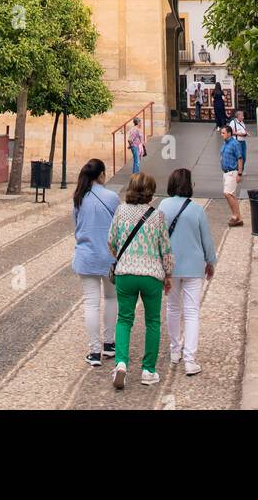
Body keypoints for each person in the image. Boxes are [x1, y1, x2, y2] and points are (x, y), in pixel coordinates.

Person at [107, 172, 173, 390]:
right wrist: (168, 274)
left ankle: (121, 364)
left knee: (124, 320)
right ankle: (148, 370)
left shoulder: (120, 211)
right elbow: (165, 250)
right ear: (150, 192)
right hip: (152, 275)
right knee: (152, 321)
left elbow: (111, 241)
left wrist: (122, 258)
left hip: (126, 273)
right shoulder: (158, 216)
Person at [158, 167, 216, 376]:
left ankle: (175, 350)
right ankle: (190, 360)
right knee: (192, 312)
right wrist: (210, 261)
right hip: (193, 266)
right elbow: (206, 240)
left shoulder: (163, 206)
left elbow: (158, 235)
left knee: (173, 308)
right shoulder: (197, 210)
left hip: (170, 266)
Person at [72, 158, 120, 367]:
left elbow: (77, 225)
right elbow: (118, 226)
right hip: (109, 256)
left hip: (86, 255)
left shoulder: (78, 198)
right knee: (111, 299)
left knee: (91, 303)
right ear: (101, 175)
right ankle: (109, 344)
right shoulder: (111, 197)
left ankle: (94, 351)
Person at [219, 124, 245, 226]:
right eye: (221, 133)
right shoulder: (225, 143)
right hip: (226, 172)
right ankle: (238, 217)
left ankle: (235, 216)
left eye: (223, 133)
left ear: (229, 133)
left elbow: (240, 158)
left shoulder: (235, 144)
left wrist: (239, 173)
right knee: (231, 195)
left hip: (232, 172)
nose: (222, 135)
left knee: (227, 193)